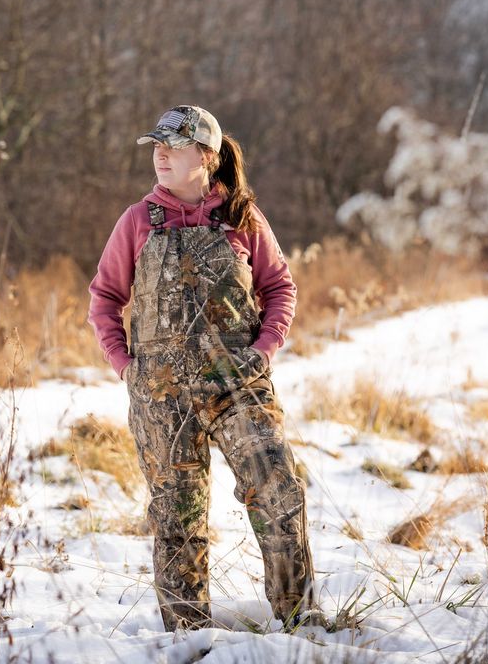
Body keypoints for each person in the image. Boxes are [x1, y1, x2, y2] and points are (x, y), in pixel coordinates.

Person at [88, 104, 317, 633]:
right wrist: (125, 366)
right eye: (157, 145)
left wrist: (264, 349)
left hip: (238, 386)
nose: (161, 155)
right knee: (177, 517)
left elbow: (279, 287)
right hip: (161, 399)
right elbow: (104, 298)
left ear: (207, 156)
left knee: (279, 489)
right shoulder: (137, 221)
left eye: (174, 146)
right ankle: (189, 638)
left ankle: (300, 620)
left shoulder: (242, 217)